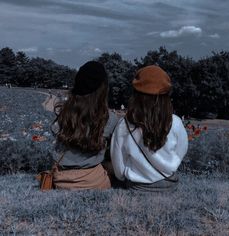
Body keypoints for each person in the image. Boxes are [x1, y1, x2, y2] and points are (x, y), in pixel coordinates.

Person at [110, 65, 188, 192]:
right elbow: (180, 152)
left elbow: (118, 165)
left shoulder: (124, 125)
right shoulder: (176, 122)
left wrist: (125, 175)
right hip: (168, 183)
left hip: (136, 185)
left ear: (136, 95)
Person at [51, 61, 118, 190]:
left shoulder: (64, 113)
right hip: (95, 181)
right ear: (103, 88)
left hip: (61, 180)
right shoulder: (109, 118)